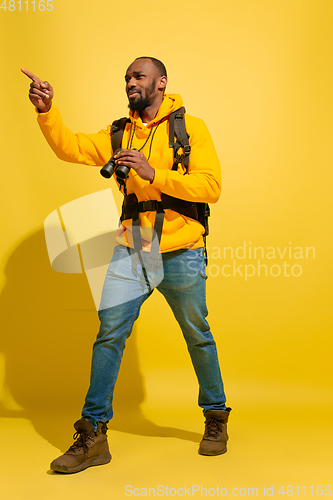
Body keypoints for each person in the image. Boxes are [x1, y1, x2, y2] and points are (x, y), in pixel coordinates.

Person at [22, 57, 231, 474]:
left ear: (161, 82)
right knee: (109, 332)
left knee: (197, 334)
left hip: (182, 243)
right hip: (134, 241)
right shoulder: (120, 131)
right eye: (127, 78)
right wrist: (47, 112)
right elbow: (73, 147)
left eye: (138, 77)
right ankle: (94, 435)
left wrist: (156, 173)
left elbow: (211, 187)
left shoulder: (191, 128)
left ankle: (216, 417)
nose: (130, 83)